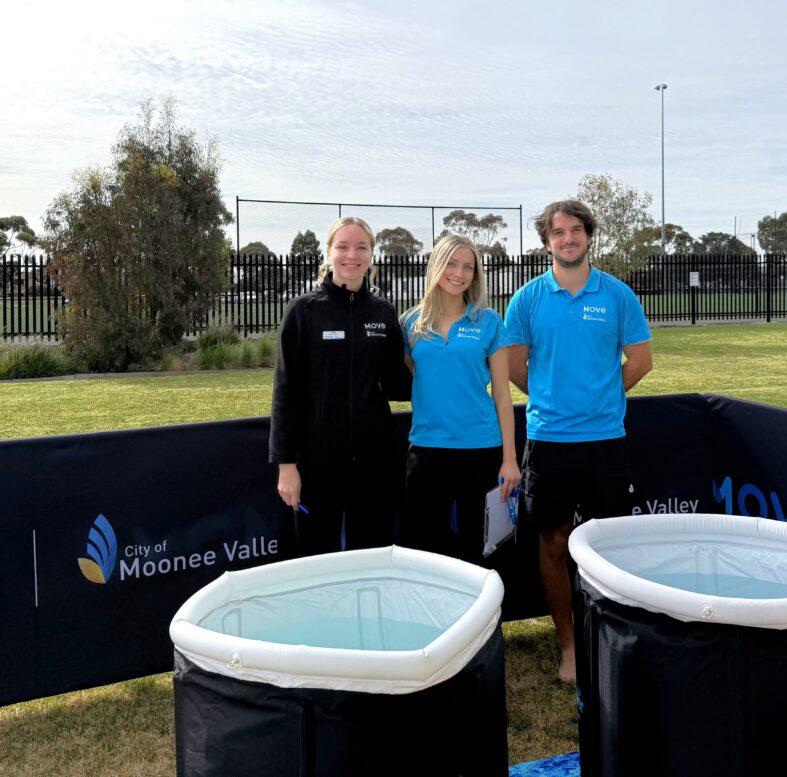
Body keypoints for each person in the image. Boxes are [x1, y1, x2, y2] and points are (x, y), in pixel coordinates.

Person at [504, 200, 653, 683]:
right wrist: (552, 398)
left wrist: (602, 397)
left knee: (607, 548)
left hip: (606, 441)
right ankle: (568, 647)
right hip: (548, 442)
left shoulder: (617, 295)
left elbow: (641, 361)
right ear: (546, 241)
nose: (567, 239)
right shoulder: (527, 299)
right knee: (552, 542)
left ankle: (607, 642)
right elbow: (513, 366)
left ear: (589, 236)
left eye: (576, 230)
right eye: (557, 232)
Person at [269, 216, 412, 556]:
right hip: (315, 466)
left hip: (373, 463)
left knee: (372, 558)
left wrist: (442, 358)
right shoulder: (303, 311)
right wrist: (287, 466)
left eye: (362, 247)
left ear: (371, 255)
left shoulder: (383, 313)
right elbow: (284, 392)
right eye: (343, 246)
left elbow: (397, 385)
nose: (352, 255)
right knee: (317, 563)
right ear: (329, 252)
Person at [399, 234, 522, 565]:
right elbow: (411, 375)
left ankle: (486, 618)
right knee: (424, 550)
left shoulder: (489, 322)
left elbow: (501, 392)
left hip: (480, 449)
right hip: (427, 449)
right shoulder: (411, 323)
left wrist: (510, 459)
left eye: (468, 266)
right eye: (451, 263)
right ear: (436, 266)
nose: (459, 273)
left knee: (479, 551)